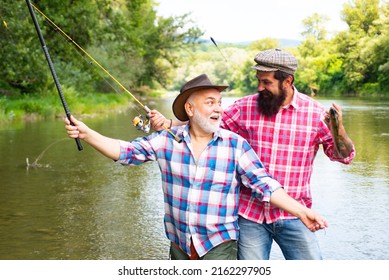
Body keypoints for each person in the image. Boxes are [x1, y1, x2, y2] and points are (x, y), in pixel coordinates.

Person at [64, 74, 328, 260]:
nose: (218, 109)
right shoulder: (165, 141)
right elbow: (125, 152)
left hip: (219, 245)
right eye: (210, 102)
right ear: (190, 108)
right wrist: (87, 134)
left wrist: (302, 211)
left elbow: (266, 186)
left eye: (219, 102)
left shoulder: (235, 145)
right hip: (179, 245)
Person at [150, 50, 355, 260]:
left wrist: (339, 131)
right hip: (250, 214)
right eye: (258, 81)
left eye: (266, 82)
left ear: (287, 81)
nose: (259, 87)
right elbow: (203, 124)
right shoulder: (243, 107)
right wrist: (169, 124)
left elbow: (344, 157)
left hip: (294, 214)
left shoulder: (315, 113)